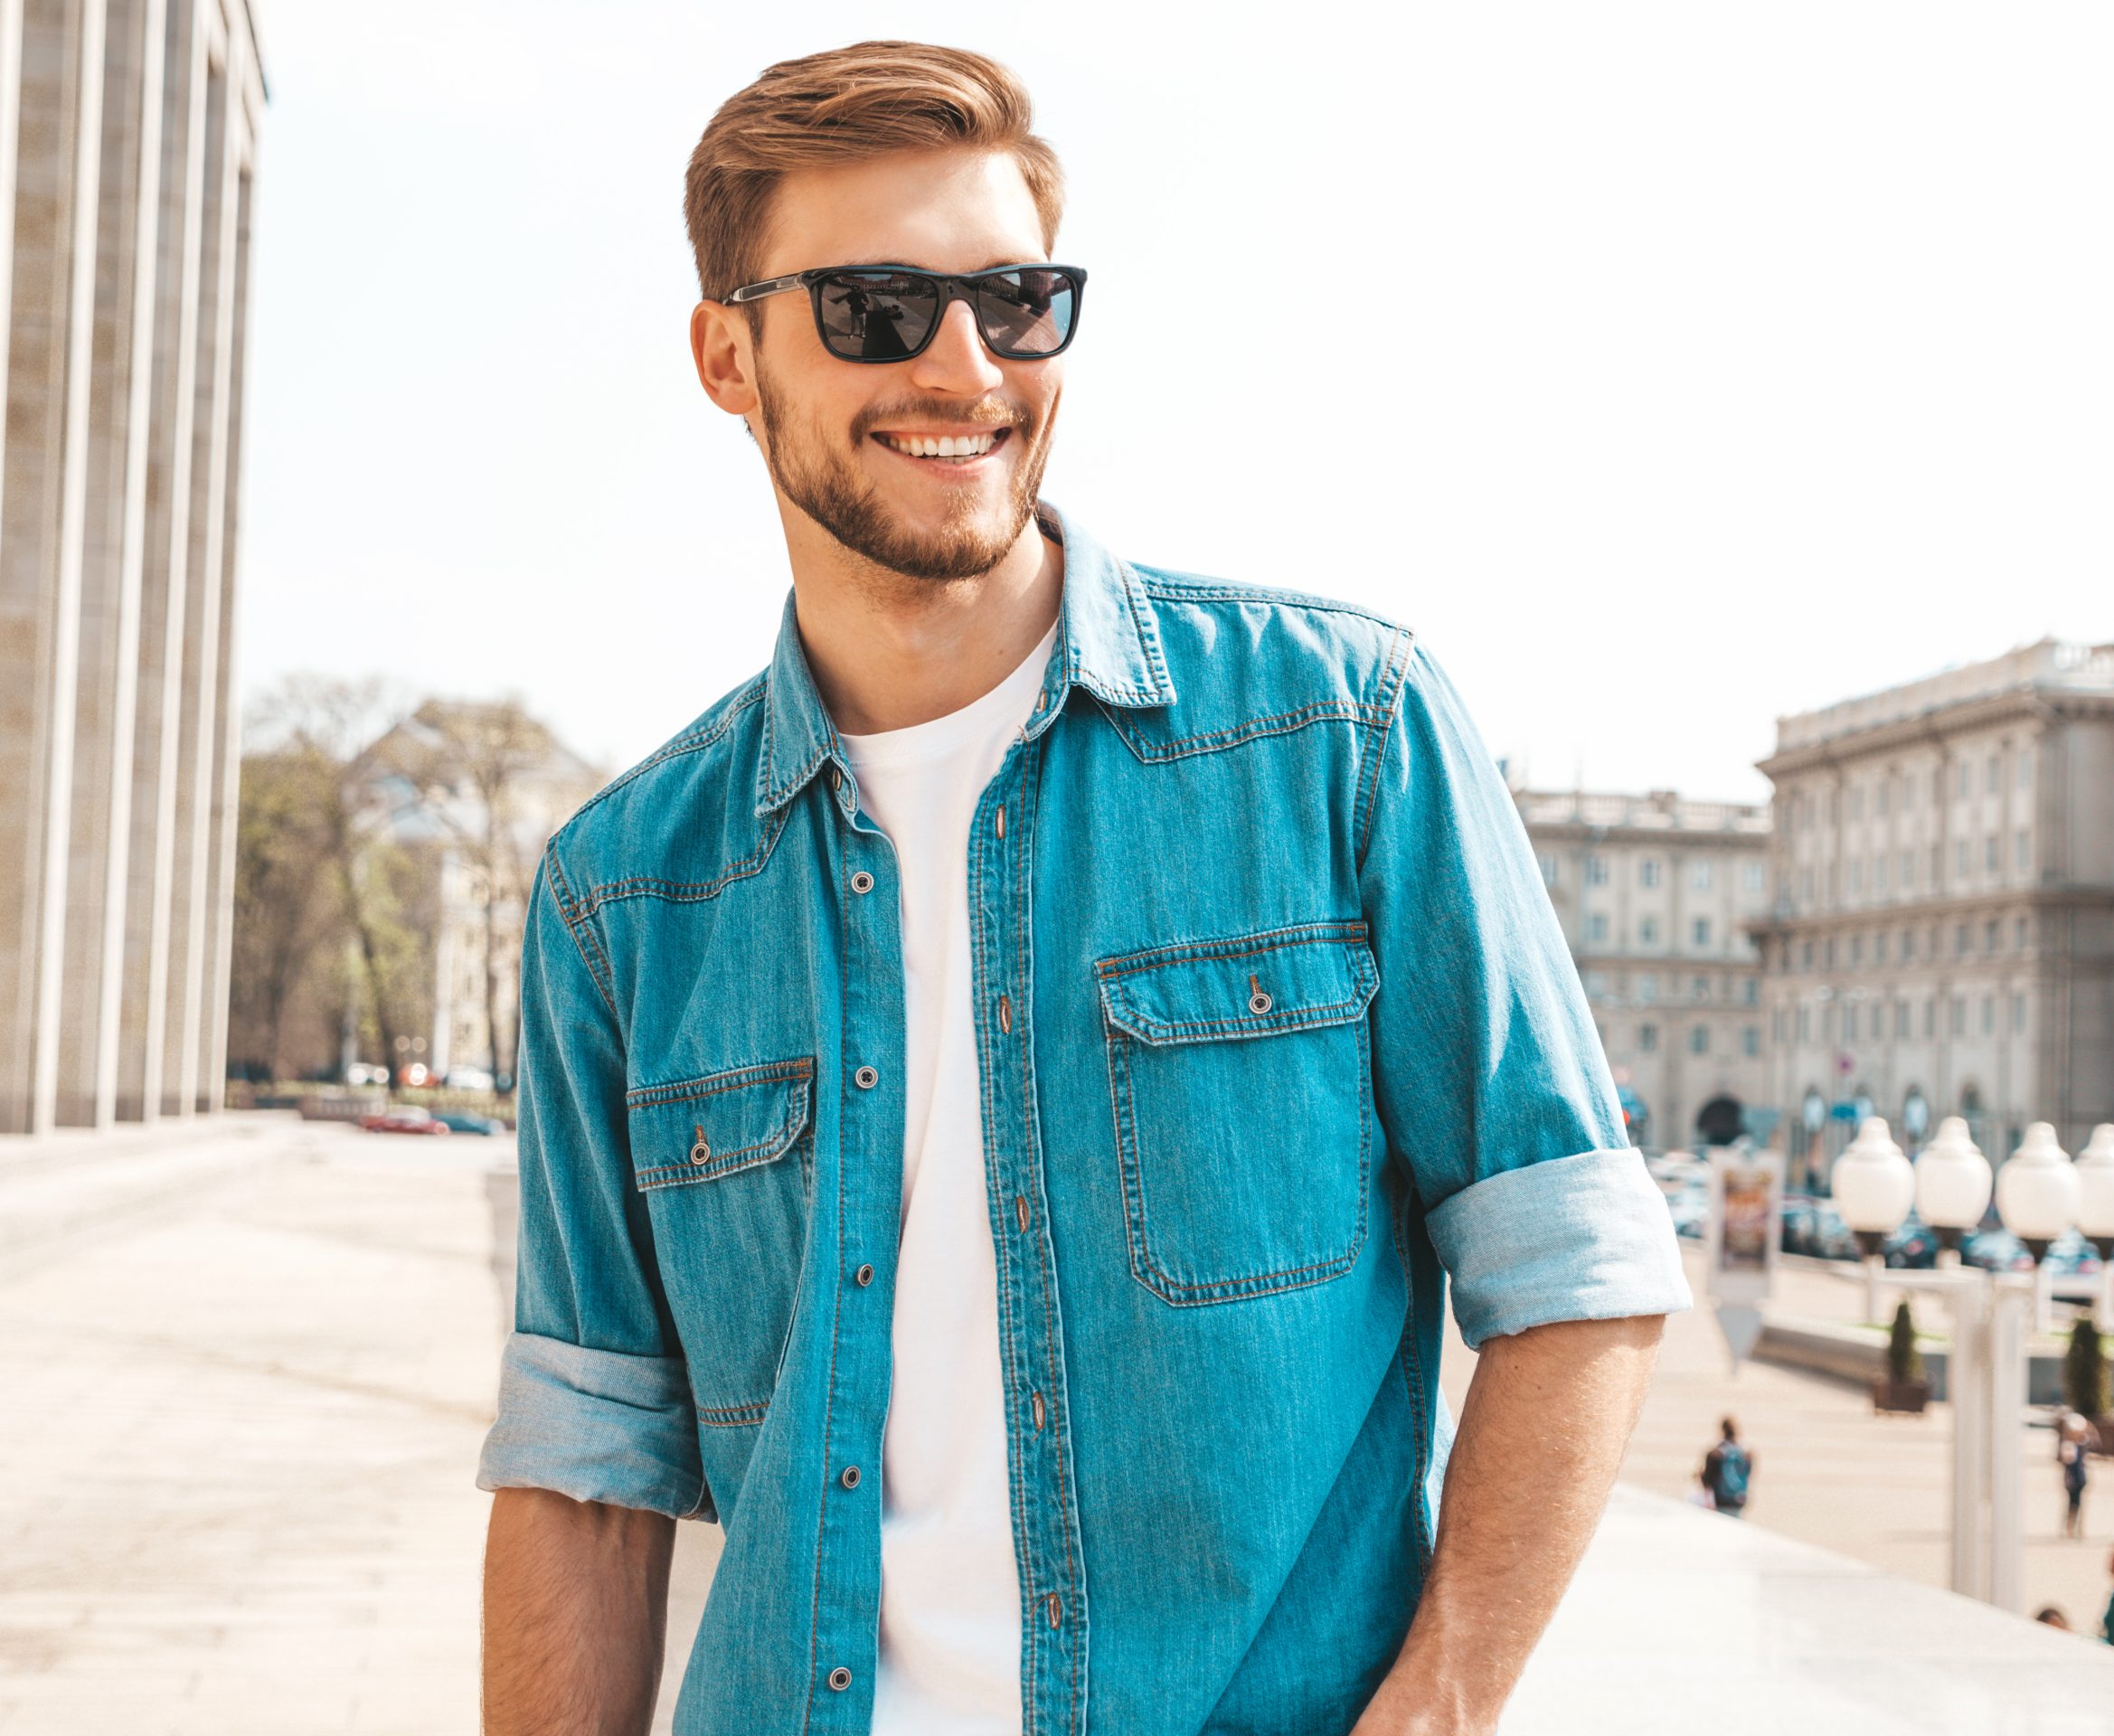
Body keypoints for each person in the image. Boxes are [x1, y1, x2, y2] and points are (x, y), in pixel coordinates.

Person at [473, 41, 1691, 1736]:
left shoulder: (1341, 732)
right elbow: (586, 1470)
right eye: (877, 307)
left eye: (1017, 300)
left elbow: (1578, 1266)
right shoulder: (625, 896)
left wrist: (1442, 1703)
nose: (965, 364)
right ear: (727, 357)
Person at [1701, 1417, 1753, 1518]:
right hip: (1738, 1498)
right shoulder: (1745, 1453)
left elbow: (1708, 1478)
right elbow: (1748, 1474)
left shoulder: (1716, 1454)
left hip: (1721, 1499)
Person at [2056, 1410, 2090, 1539]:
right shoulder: (2068, 1445)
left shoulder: (2082, 1443)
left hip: (2081, 1478)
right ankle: (2068, 1527)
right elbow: (2067, 1459)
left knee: (2080, 1504)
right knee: (2071, 1504)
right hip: (2071, 1479)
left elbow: (2094, 1440)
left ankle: (2079, 1528)